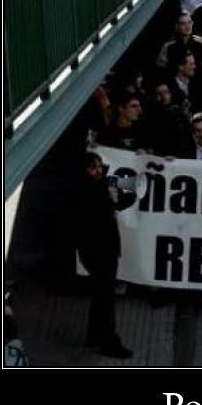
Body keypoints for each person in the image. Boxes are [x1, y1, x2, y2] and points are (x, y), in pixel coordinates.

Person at [75, 152, 132, 358]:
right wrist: (112, 199)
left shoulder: (97, 187)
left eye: (99, 166)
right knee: (106, 298)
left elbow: (124, 196)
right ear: (85, 171)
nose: (98, 170)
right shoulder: (87, 191)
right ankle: (109, 342)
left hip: (102, 251)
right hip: (98, 253)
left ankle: (93, 336)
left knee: (100, 295)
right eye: (93, 168)